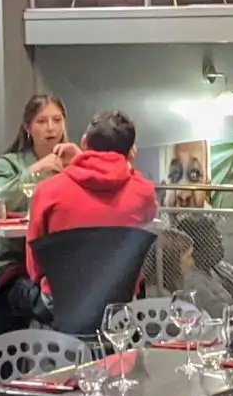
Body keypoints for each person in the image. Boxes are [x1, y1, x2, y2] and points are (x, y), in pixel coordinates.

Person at [25, 109, 158, 286]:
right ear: (130, 152)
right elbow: (147, 216)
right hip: (120, 298)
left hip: (61, 300)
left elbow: (34, 265)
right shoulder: (143, 191)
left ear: (84, 142)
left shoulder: (47, 191)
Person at [0, 94, 76, 336]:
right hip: (15, 260)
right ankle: (1, 366)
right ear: (27, 127)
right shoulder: (10, 163)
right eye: (42, 121)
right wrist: (33, 171)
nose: (51, 128)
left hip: (63, 260)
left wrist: (81, 160)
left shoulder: (74, 161)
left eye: (57, 119)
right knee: (23, 298)